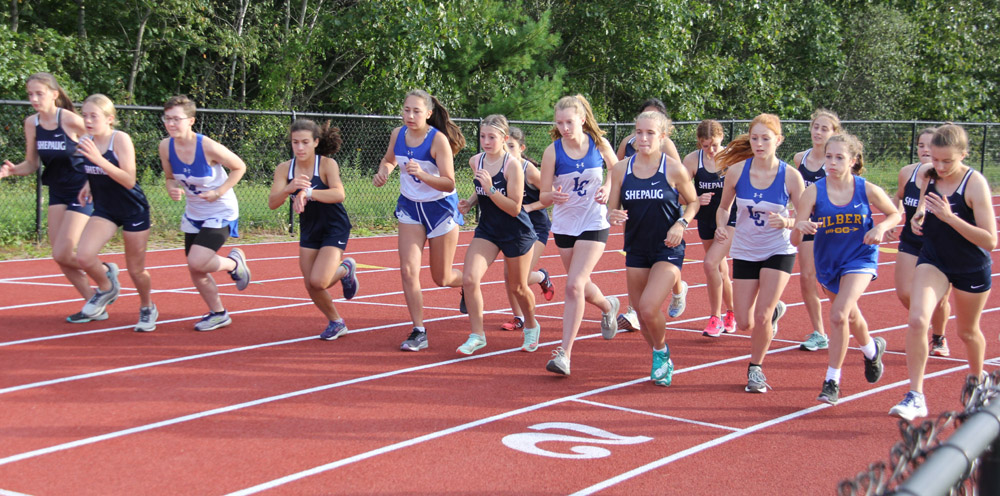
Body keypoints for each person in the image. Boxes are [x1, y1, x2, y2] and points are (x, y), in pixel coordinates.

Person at [889, 124, 996, 421]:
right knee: (917, 319)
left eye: (947, 161)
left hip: (970, 266)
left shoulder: (975, 184)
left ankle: (977, 383)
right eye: (935, 159)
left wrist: (949, 218)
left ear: (964, 154)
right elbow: (921, 210)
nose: (939, 166)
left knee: (967, 331)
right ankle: (916, 395)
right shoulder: (928, 175)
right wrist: (917, 220)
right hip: (934, 260)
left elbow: (990, 239)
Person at [1, 73, 118, 323]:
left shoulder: (69, 120)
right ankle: (94, 302)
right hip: (57, 190)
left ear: (54, 95)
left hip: (81, 188)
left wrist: (91, 179)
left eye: (39, 93)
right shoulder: (31, 123)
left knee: (64, 250)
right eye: (30, 94)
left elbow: (104, 141)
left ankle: (105, 278)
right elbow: (31, 163)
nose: (33, 98)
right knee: (59, 255)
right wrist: (11, 170)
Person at [793, 133, 898, 404]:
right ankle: (872, 350)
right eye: (829, 156)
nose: (832, 162)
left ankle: (832, 380)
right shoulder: (813, 192)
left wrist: (881, 228)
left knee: (839, 314)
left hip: (860, 257)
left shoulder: (866, 189)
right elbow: (796, 236)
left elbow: (894, 214)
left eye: (839, 157)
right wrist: (800, 227)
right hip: (829, 262)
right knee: (850, 315)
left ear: (852, 161)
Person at [714, 113, 804, 393]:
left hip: (778, 248)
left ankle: (756, 369)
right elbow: (723, 207)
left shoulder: (790, 175)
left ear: (779, 140)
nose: (759, 143)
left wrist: (787, 221)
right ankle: (775, 309)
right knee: (744, 321)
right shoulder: (737, 171)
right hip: (745, 249)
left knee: (761, 317)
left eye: (766, 139)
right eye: (755, 138)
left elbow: (803, 216)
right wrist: (720, 226)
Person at [607, 111, 698, 386]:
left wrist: (681, 223)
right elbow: (613, 206)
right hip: (635, 248)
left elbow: (693, 202)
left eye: (649, 133)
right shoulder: (621, 169)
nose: (642, 138)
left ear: (662, 136)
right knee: (643, 317)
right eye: (638, 132)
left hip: (667, 248)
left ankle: (660, 354)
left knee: (647, 308)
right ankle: (661, 353)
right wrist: (613, 215)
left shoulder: (673, 168)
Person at [373, 89, 466, 351]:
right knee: (407, 269)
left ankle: (468, 283)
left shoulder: (438, 141)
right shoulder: (397, 135)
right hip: (411, 208)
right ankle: (419, 330)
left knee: (442, 277)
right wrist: (384, 171)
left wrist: (424, 175)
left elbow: (449, 183)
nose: (410, 116)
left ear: (428, 113)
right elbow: (389, 160)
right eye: (406, 110)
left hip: (440, 208)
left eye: (416, 111)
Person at [540, 94, 620, 376]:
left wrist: (609, 187)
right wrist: (553, 195)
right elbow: (543, 194)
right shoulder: (553, 151)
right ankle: (609, 305)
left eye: (569, 122)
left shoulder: (598, 145)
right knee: (580, 285)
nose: (564, 128)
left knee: (573, 285)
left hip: (594, 222)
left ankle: (564, 354)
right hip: (564, 225)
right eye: (560, 123)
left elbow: (618, 170)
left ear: (582, 120)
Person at [157, 95, 251, 331]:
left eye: (176, 119)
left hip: (221, 209)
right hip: (194, 213)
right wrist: (171, 187)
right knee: (195, 268)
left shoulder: (206, 146)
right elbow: (170, 177)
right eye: (167, 119)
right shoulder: (165, 146)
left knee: (197, 260)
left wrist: (218, 191)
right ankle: (218, 313)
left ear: (191, 121)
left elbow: (240, 166)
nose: (171, 124)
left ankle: (233, 264)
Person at [454, 115, 540, 355]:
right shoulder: (476, 161)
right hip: (488, 230)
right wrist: (471, 202)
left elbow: (514, 207)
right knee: (470, 279)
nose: (486, 141)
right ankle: (477, 335)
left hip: (516, 232)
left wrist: (491, 188)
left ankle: (532, 326)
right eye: (483, 136)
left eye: (492, 137)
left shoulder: (513, 165)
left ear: (504, 138)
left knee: (519, 287)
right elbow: (480, 188)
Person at [268, 119, 358, 340]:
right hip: (310, 227)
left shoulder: (327, 165)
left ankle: (345, 270)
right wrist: (290, 188)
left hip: (334, 226)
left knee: (319, 281)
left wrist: (307, 193)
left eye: (305, 142)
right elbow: (272, 202)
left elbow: (339, 194)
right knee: (311, 284)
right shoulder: (284, 169)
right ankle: (336, 322)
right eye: (295, 142)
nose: (300, 148)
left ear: (316, 142)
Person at [73, 94, 156, 331]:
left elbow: (129, 179)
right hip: (106, 209)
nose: (88, 120)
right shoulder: (86, 139)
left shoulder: (120, 139)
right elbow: (95, 171)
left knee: (136, 270)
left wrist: (99, 160)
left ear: (110, 119)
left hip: (133, 209)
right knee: (84, 257)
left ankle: (147, 306)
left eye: (94, 116)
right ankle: (107, 286)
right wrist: (88, 185)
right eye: (85, 115)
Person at [461, 126, 554, 333]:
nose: (507, 149)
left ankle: (541, 278)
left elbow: (550, 195)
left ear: (521, 148)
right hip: (497, 225)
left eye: (511, 145)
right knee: (507, 277)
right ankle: (518, 317)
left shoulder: (526, 169)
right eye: (483, 137)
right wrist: (470, 202)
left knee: (517, 280)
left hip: (533, 226)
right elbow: (484, 190)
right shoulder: (487, 162)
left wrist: (529, 207)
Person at [615, 98, 687, 320]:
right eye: (640, 128)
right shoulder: (627, 144)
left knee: (662, 256)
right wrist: (612, 203)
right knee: (639, 259)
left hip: (662, 206)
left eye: (654, 123)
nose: (644, 136)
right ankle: (634, 309)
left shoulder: (667, 147)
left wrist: (682, 219)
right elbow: (616, 173)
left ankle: (677, 290)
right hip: (635, 207)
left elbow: (679, 179)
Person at [892, 128, 952, 357]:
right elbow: (898, 196)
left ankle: (939, 337)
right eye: (920, 145)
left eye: (930, 145)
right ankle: (921, 319)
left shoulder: (948, 177)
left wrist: (925, 211)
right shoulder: (907, 172)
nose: (925, 149)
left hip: (940, 243)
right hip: (911, 240)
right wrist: (895, 218)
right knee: (904, 292)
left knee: (941, 298)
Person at [682, 119, 737, 337]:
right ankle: (731, 313)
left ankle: (715, 317)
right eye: (706, 146)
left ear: (721, 138)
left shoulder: (732, 159)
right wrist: (695, 197)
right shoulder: (692, 160)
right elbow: (679, 195)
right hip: (705, 220)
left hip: (728, 219)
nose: (711, 150)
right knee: (720, 270)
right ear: (699, 143)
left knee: (710, 264)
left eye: (714, 145)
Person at [791, 109, 840, 352]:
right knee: (807, 277)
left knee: (830, 281)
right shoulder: (800, 158)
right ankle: (819, 332)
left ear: (834, 133)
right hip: (808, 225)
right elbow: (796, 192)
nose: (818, 132)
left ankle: (847, 321)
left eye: (825, 129)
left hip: (833, 227)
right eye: (816, 127)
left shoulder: (835, 162)